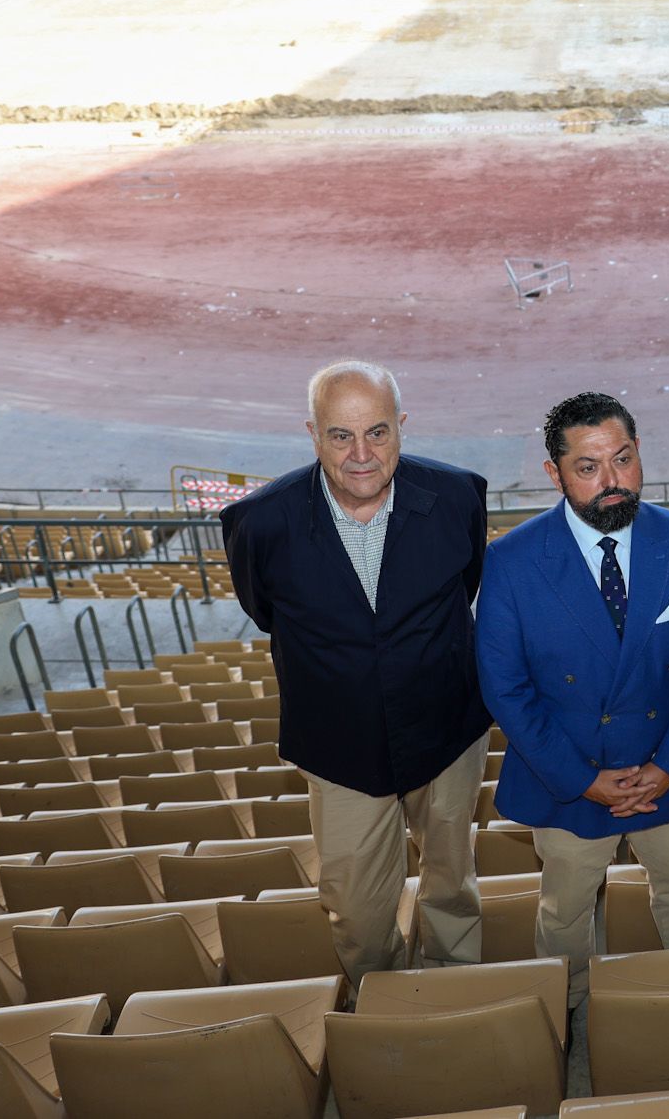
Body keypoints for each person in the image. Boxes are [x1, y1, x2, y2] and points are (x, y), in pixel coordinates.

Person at [220, 360, 491, 983]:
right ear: (312, 434)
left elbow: (466, 588)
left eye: (378, 431)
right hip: (340, 748)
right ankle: (387, 999)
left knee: (452, 884)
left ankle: (458, 988)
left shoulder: (456, 497)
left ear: (402, 428)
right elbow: (264, 613)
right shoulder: (261, 523)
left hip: (447, 733)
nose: (361, 453)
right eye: (341, 435)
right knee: (358, 914)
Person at [475, 392, 669, 1005]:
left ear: (639, 453)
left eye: (622, 460)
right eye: (588, 468)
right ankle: (565, 1007)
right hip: (568, 776)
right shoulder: (509, 562)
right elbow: (504, 687)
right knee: (564, 911)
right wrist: (582, 778)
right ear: (554, 473)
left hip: (665, 770)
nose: (611, 482)